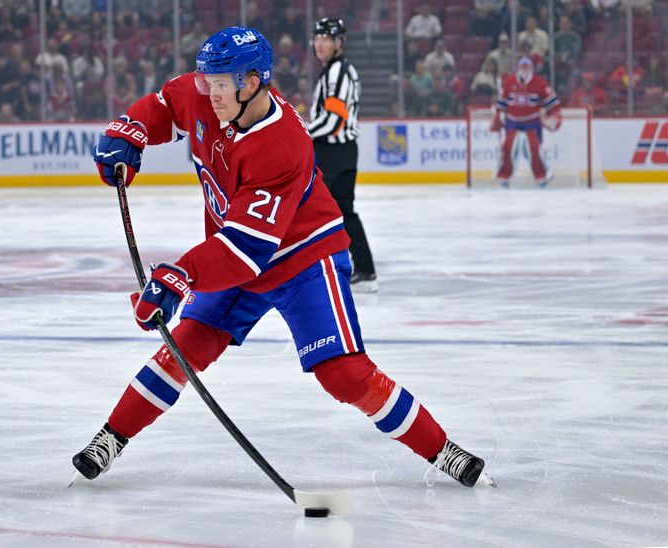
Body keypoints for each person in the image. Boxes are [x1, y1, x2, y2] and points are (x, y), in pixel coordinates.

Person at [73, 25, 492, 491]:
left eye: (219, 84)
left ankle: (442, 450)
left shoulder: (283, 144)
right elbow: (163, 108)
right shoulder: (206, 95)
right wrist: (129, 131)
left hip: (302, 258)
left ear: (251, 83)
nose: (207, 93)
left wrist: (181, 276)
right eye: (205, 81)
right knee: (183, 346)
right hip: (232, 250)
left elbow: (247, 253)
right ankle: (110, 438)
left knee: (344, 375)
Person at [308, 18, 377, 292]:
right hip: (334, 151)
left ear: (339, 43)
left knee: (337, 211)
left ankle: (363, 269)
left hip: (335, 152)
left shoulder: (338, 72)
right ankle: (356, 267)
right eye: (317, 38)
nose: (320, 43)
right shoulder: (332, 71)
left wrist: (304, 133)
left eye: (326, 38)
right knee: (335, 211)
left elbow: (335, 119)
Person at [491, 56, 562, 187]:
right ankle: (504, 175)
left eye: (527, 67)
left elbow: (553, 101)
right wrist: (497, 118)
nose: (524, 69)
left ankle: (542, 176)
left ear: (531, 68)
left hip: (532, 121)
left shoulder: (540, 82)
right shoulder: (509, 81)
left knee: (534, 149)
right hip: (512, 121)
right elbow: (501, 103)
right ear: (518, 68)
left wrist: (555, 114)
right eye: (522, 67)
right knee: (508, 148)